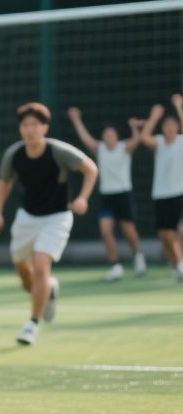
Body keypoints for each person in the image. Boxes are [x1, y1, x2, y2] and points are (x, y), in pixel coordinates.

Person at [0, 103, 97, 345]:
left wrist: (82, 198)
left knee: (40, 266)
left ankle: (32, 324)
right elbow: (4, 182)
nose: (30, 130)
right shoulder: (14, 154)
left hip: (57, 218)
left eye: (35, 125)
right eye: (25, 125)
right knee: (24, 273)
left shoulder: (58, 151)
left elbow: (90, 168)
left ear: (45, 128)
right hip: (27, 218)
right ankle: (48, 290)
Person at [66, 107, 145, 281]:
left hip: (123, 194)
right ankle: (115, 266)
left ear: (117, 136)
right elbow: (85, 138)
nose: (109, 137)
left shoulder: (125, 147)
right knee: (105, 230)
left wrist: (134, 128)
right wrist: (76, 119)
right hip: (107, 197)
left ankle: (138, 256)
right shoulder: (100, 148)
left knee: (129, 231)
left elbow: (136, 141)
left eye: (112, 134)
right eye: (106, 135)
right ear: (103, 137)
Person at [138, 96, 183, 281]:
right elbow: (143, 137)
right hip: (161, 194)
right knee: (164, 235)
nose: (170, 128)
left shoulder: (181, 141)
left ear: (177, 127)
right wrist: (154, 117)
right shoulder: (158, 142)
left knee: (175, 232)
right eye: (166, 125)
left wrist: (179, 107)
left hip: (179, 193)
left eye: (173, 124)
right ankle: (176, 266)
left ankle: (181, 265)